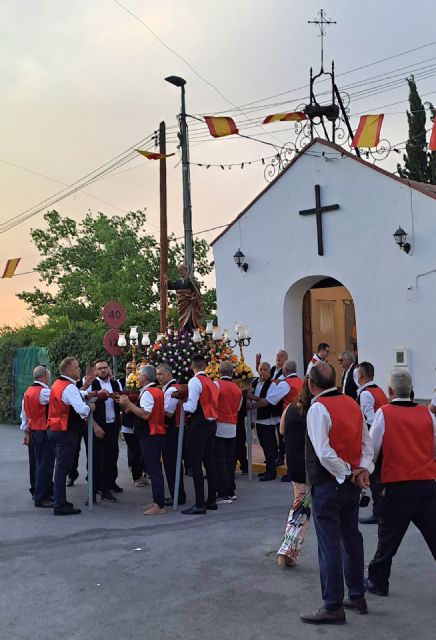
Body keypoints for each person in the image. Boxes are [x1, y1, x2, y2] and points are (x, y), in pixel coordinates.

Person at [300, 361, 374, 625]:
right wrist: (362, 468)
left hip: (330, 483)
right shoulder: (352, 403)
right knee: (351, 537)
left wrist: (348, 471)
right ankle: (356, 595)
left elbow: (324, 453)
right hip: (349, 483)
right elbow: (367, 443)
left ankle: (333, 605)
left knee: (329, 543)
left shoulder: (318, 409)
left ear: (310, 383)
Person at [366, 369, 436, 597]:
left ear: (389, 391)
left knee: (388, 537)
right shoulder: (428, 415)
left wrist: (368, 472)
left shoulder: (384, 414)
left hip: (396, 483)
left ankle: (378, 581)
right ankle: (377, 579)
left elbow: (374, 449)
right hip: (426, 482)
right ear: (411, 390)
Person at [47, 357, 94, 516]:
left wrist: (86, 393)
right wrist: (90, 406)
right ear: (68, 370)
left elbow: (73, 394)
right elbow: (81, 409)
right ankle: (60, 505)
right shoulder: (68, 387)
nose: (79, 369)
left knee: (60, 467)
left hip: (54, 429)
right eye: (76, 367)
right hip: (65, 431)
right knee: (62, 468)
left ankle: (60, 501)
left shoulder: (58, 383)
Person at [118, 365, 167, 516]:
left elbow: (145, 414)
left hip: (150, 434)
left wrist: (128, 404)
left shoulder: (148, 393)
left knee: (154, 469)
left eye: (139, 375)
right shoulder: (155, 391)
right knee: (154, 468)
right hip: (154, 433)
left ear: (145, 377)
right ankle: (156, 501)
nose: (137, 377)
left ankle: (159, 504)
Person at [277, 378, 312, 567]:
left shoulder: (290, 407)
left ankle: (288, 552)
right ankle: (287, 551)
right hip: (309, 466)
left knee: (300, 506)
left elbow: (282, 430)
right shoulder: (313, 410)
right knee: (301, 511)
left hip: (294, 464)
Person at [182, 354, 219, 515]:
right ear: (205, 366)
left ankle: (199, 504)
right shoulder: (212, 382)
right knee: (210, 463)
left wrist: (182, 405)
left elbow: (191, 407)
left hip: (199, 424)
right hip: (211, 423)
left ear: (192, 366)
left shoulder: (194, 381)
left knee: (196, 464)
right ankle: (211, 501)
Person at [356, 361, 389, 525]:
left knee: (375, 479)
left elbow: (370, 419)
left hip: (375, 439)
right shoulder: (380, 391)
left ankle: (378, 512)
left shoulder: (366, 394)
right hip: (384, 438)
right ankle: (382, 509)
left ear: (360, 375)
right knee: (379, 478)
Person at [89, 359, 123, 502]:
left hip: (112, 426)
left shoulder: (116, 384)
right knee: (96, 460)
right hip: (98, 426)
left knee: (111, 458)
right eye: (100, 368)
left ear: (108, 369)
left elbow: (122, 401)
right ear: (96, 371)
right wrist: (95, 426)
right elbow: (86, 408)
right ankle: (93, 491)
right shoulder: (92, 385)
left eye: (105, 367)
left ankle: (106, 489)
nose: (103, 370)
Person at [21, 365, 53, 508]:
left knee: (36, 464)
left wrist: (26, 432)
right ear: (44, 376)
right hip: (42, 431)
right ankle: (42, 496)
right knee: (44, 464)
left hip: (33, 430)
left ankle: (37, 491)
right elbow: (61, 397)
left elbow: (24, 415)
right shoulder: (44, 392)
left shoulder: (28, 391)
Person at [156, 362, 186, 506]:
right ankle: (177, 494)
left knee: (171, 465)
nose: (158, 377)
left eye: (161, 374)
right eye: (157, 374)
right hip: (174, 429)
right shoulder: (171, 388)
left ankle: (177, 496)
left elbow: (168, 412)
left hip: (171, 430)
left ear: (169, 374)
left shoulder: (171, 390)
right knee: (173, 464)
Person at [214, 361, 242, 503]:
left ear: (219, 371)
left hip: (219, 425)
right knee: (230, 460)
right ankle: (231, 490)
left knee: (220, 460)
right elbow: (238, 407)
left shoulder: (217, 385)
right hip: (232, 425)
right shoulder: (237, 388)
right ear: (232, 373)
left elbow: (213, 403)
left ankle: (224, 492)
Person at [67, 362, 96, 487]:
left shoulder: (99, 383)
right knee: (74, 451)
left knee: (92, 450)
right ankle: (71, 475)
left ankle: (91, 476)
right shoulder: (76, 384)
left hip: (93, 422)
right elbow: (75, 396)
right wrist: (85, 386)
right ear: (87, 372)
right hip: (78, 422)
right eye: (92, 372)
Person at [248, 362, 277, 481]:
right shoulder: (255, 382)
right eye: (260, 370)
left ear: (269, 372)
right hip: (257, 419)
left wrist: (253, 399)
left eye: (265, 370)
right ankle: (268, 469)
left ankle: (271, 472)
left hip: (267, 420)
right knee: (264, 446)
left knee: (269, 447)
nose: (262, 372)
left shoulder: (272, 385)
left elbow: (268, 400)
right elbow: (248, 392)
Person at [120, 362, 147, 487]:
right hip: (128, 425)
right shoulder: (123, 385)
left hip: (140, 425)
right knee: (134, 452)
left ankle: (141, 473)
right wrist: (130, 404)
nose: (131, 370)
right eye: (129, 368)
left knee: (141, 452)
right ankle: (136, 476)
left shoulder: (144, 391)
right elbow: (124, 409)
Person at [168, 263, 203, 332]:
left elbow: (197, 293)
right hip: (182, 305)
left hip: (189, 305)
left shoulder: (191, 281)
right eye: (179, 270)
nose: (181, 272)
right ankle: (184, 335)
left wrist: (193, 298)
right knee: (182, 320)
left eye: (182, 270)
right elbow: (170, 286)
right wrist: (166, 279)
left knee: (190, 320)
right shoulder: (178, 282)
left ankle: (191, 334)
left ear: (186, 270)